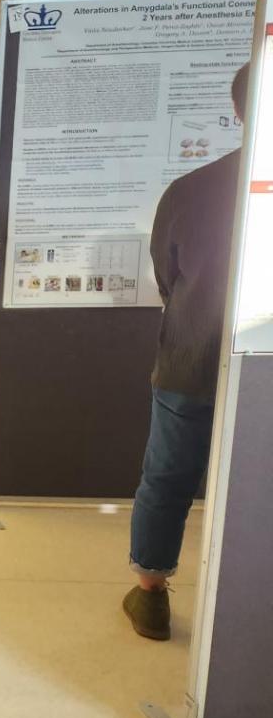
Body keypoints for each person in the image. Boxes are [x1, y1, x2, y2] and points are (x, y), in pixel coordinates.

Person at [123, 63, 249, 641]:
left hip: (191, 360)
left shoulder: (191, 189)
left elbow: (166, 277)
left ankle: (151, 595)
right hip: (257, 374)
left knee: (168, 475)